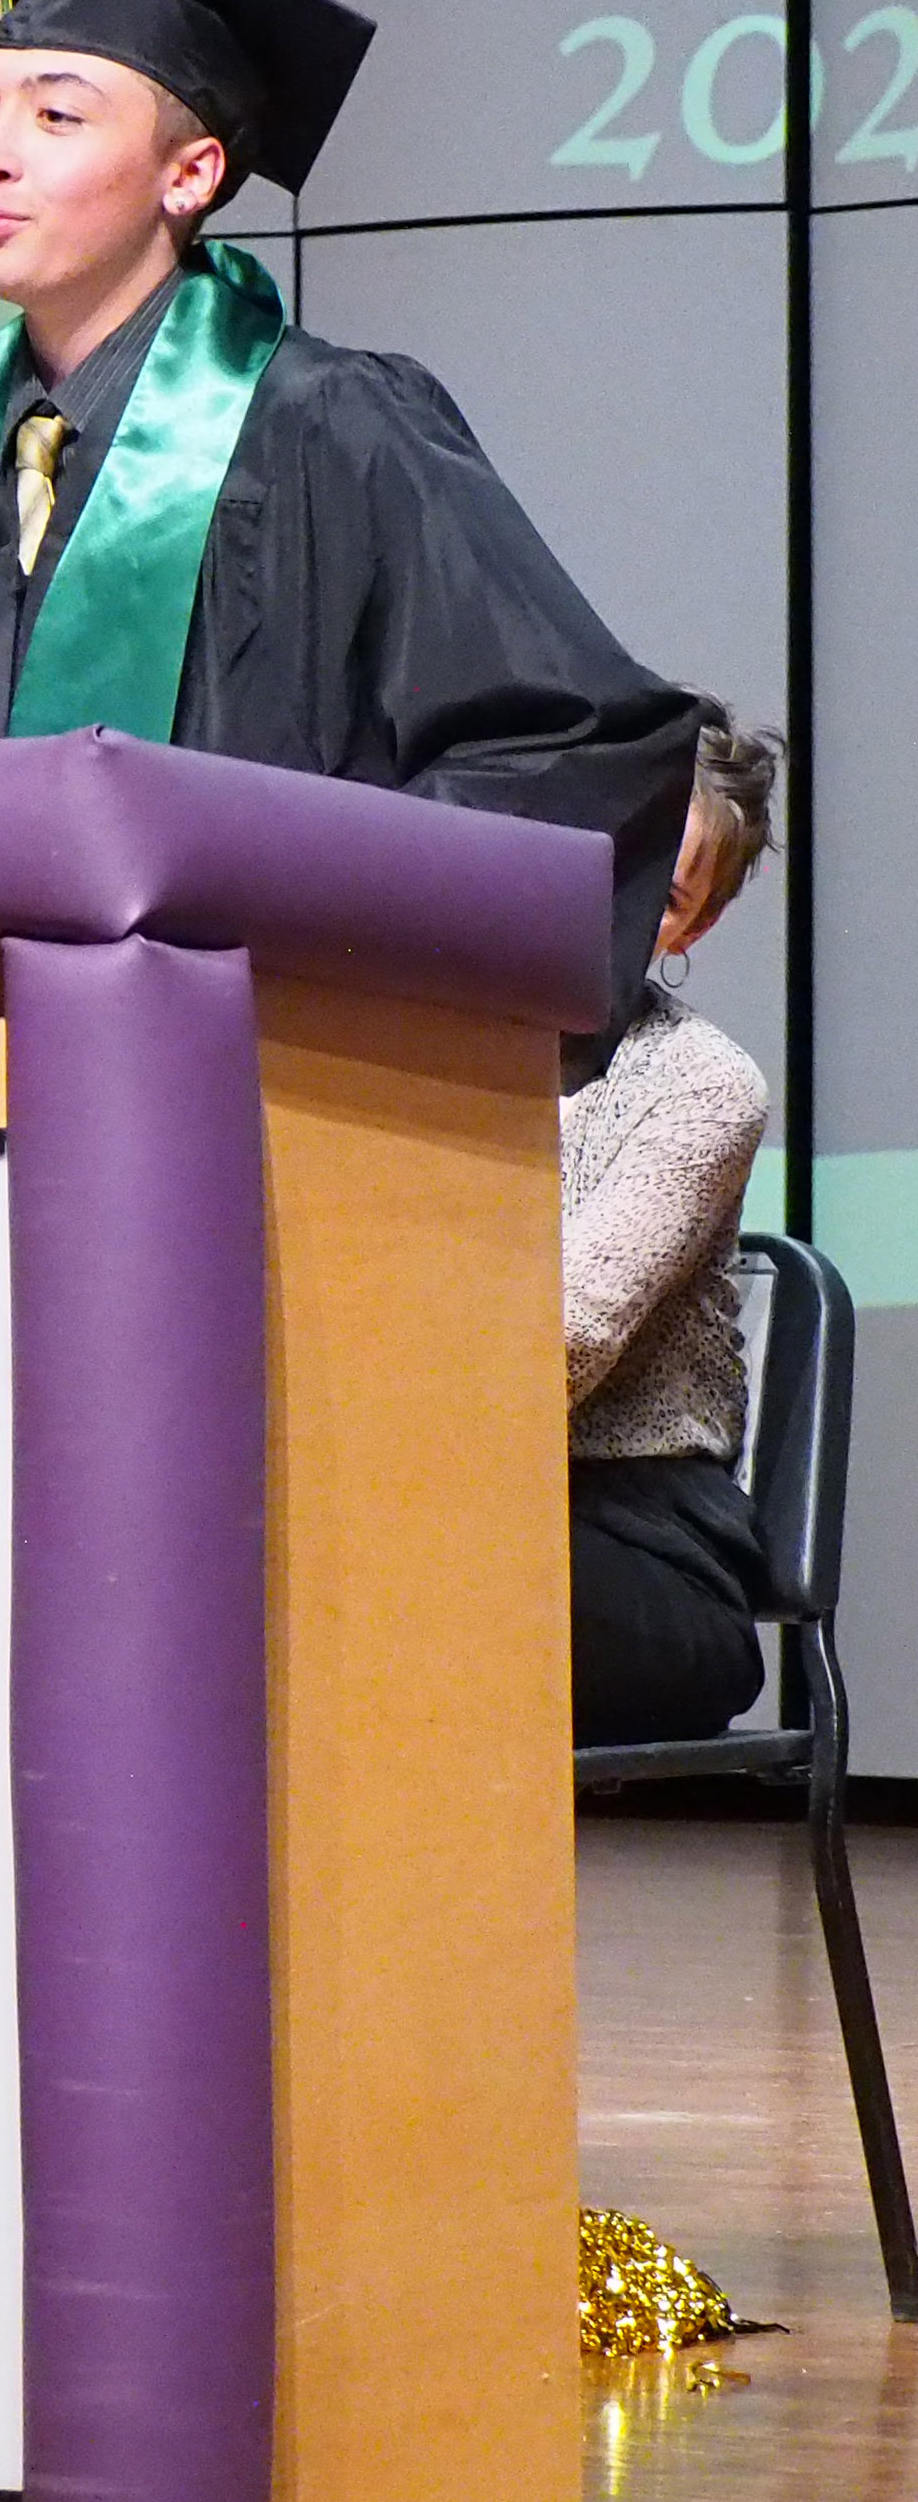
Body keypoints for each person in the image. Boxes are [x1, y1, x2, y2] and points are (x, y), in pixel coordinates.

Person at [0, 0, 699, 1069]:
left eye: (56, 118)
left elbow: (570, 747)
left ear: (191, 176)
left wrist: (303, 912)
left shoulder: (330, 429)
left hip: (260, 1097)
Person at [566, 714, 785, 1745]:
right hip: (450, 1504)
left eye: (667, 888)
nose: (618, 892)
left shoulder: (701, 1083)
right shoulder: (422, 1047)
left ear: (685, 933)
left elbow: (558, 1342)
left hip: (647, 1552)